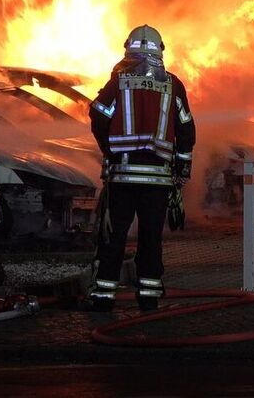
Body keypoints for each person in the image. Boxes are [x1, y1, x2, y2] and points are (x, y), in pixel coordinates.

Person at [85, 24, 196, 311]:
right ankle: (148, 296)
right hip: (158, 181)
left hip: (122, 176)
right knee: (151, 237)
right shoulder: (172, 84)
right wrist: (182, 169)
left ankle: (103, 297)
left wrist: (109, 150)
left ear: (128, 49)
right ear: (160, 51)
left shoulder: (119, 82)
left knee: (113, 235)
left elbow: (98, 115)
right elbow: (186, 130)